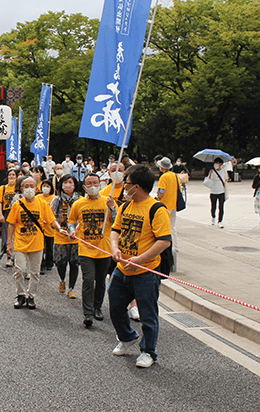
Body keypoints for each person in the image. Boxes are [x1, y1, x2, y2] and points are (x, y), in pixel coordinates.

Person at [108, 164, 172, 368]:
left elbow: (164, 241)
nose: (123, 186)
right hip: (122, 269)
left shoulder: (156, 209)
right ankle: (127, 337)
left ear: (137, 186)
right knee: (116, 307)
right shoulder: (126, 206)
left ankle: (149, 352)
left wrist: (140, 260)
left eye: (126, 182)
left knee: (147, 314)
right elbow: (115, 230)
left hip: (145, 272)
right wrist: (115, 248)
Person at [67, 172, 117, 328]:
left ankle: (97, 307)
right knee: (88, 280)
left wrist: (113, 208)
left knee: (101, 281)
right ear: (84, 187)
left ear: (100, 184)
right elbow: (71, 221)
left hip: (104, 249)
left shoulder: (107, 202)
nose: (93, 186)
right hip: (86, 249)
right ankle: (87, 313)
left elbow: (117, 223)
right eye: (89, 183)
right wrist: (73, 230)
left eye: (96, 183)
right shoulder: (78, 204)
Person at [6, 176, 62, 309]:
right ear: (21, 189)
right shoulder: (17, 205)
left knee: (35, 272)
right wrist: (9, 243)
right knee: (19, 270)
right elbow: (11, 225)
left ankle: (31, 296)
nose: (29, 189)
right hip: (20, 243)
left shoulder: (42, 204)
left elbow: (51, 220)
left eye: (32, 186)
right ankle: (20, 295)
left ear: (36, 188)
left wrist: (59, 228)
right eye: (26, 186)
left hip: (37, 244)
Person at [51, 174, 80, 298]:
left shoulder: (80, 200)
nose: (68, 185)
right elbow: (50, 217)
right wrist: (58, 228)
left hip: (76, 236)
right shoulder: (56, 200)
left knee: (74, 263)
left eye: (70, 182)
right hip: (60, 235)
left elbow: (82, 218)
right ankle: (62, 279)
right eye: (65, 182)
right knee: (61, 263)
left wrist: (76, 230)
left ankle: (72, 288)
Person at [155, 157, 180, 271]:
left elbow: (162, 191)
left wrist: (157, 198)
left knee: (166, 228)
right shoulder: (175, 176)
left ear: (162, 167)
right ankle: (176, 246)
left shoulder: (163, 177)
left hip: (165, 205)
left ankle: (170, 248)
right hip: (174, 204)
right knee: (173, 226)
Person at [37, 178, 55, 272]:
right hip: (40, 226)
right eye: (44, 186)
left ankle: (49, 263)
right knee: (41, 246)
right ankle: (41, 263)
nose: (45, 188)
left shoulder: (54, 198)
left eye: (48, 186)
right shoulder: (38, 197)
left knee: (49, 246)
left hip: (50, 226)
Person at [205, 157, 227, 228]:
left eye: (217, 163)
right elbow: (208, 180)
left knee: (221, 207)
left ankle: (220, 221)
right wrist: (210, 174)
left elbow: (226, 179)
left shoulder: (223, 171)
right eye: (215, 163)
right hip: (213, 191)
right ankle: (213, 217)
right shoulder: (212, 171)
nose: (216, 165)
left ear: (221, 164)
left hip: (221, 191)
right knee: (213, 206)